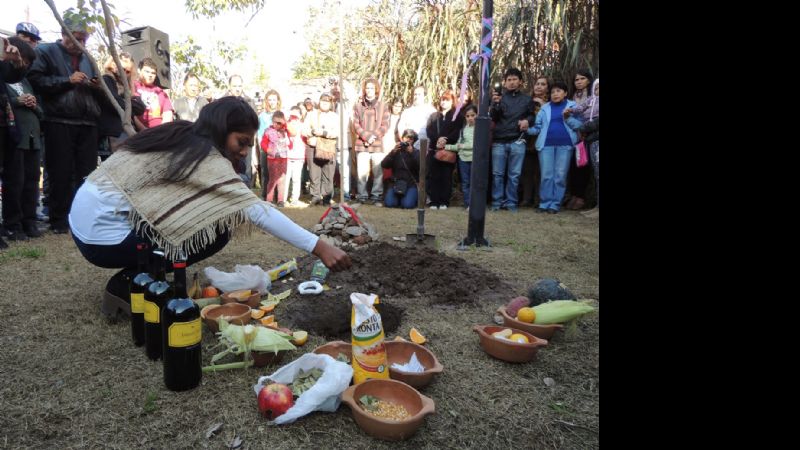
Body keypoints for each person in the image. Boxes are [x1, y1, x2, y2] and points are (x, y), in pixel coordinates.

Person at [69, 97, 351, 319]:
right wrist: (319, 246)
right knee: (218, 232)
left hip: (82, 224)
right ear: (220, 129)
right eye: (241, 142)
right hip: (104, 238)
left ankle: (143, 276)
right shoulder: (205, 156)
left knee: (211, 225)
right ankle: (129, 284)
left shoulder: (181, 132)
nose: (243, 151)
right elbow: (254, 209)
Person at [26, 17, 104, 234]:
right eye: (75, 39)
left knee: (87, 174)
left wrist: (97, 86)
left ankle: (83, 218)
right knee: (60, 172)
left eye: (83, 40)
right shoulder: (46, 51)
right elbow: (35, 80)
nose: (79, 44)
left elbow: (98, 87)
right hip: (58, 120)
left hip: (87, 122)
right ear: (63, 34)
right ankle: (59, 220)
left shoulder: (88, 58)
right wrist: (66, 80)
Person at [2, 38, 41, 242]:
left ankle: (29, 220)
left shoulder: (25, 81)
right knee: (14, 182)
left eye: (27, 62)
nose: (24, 64)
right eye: (23, 59)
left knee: (32, 182)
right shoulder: (4, 77)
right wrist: (17, 100)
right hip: (14, 135)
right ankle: (12, 224)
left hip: (32, 138)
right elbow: (5, 101)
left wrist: (34, 104)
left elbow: (40, 111)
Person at [526, 81, 583, 214]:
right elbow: (538, 128)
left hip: (566, 145)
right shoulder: (544, 108)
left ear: (565, 93)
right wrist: (527, 129)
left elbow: (579, 125)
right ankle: (544, 203)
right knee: (546, 175)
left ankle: (555, 204)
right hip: (546, 145)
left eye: (558, 91)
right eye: (552, 92)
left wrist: (568, 117)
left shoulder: (572, 106)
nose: (555, 94)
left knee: (560, 176)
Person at [489, 67, 536, 212]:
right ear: (504, 82)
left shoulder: (527, 99)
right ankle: (497, 202)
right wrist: (495, 104)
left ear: (521, 81)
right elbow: (493, 118)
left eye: (515, 79)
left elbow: (532, 116)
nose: (512, 82)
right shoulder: (499, 98)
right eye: (509, 80)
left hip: (517, 140)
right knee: (497, 174)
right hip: (499, 141)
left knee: (514, 175)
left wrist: (527, 121)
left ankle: (511, 203)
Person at [303, 92, 339, 206]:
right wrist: (313, 132)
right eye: (323, 101)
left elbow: (337, 132)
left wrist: (323, 133)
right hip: (313, 146)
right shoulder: (311, 114)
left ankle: (327, 197)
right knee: (314, 173)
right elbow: (304, 130)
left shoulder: (335, 116)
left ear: (331, 103)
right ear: (319, 102)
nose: (324, 103)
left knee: (328, 173)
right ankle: (315, 196)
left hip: (329, 147)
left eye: (327, 101)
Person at [445, 104, 477, 209]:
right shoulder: (463, 129)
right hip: (463, 159)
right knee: (465, 183)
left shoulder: (480, 129)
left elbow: (477, 145)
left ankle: (474, 204)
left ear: (477, 115)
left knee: (474, 183)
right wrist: (445, 147)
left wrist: (463, 146)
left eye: (473, 115)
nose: (470, 118)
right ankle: (468, 204)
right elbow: (458, 145)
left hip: (474, 159)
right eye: (468, 116)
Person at [381, 129, 420, 209]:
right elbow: (384, 165)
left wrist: (412, 153)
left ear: (414, 141)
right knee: (389, 203)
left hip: (410, 184)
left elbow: (421, 167)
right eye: (406, 137)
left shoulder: (416, 152)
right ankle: (399, 198)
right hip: (395, 183)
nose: (408, 140)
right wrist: (392, 153)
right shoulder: (396, 151)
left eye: (411, 138)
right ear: (402, 138)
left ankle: (408, 198)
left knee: (407, 205)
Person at [260, 111, 290, 206]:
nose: (276, 124)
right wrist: (267, 149)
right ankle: (269, 199)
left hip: (283, 158)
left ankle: (280, 200)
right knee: (272, 179)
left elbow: (293, 136)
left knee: (282, 179)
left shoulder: (285, 131)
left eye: (279, 123)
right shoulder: (268, 131)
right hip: (272, 159)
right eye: (274, 122)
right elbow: (263, 143)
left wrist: (285, 123)